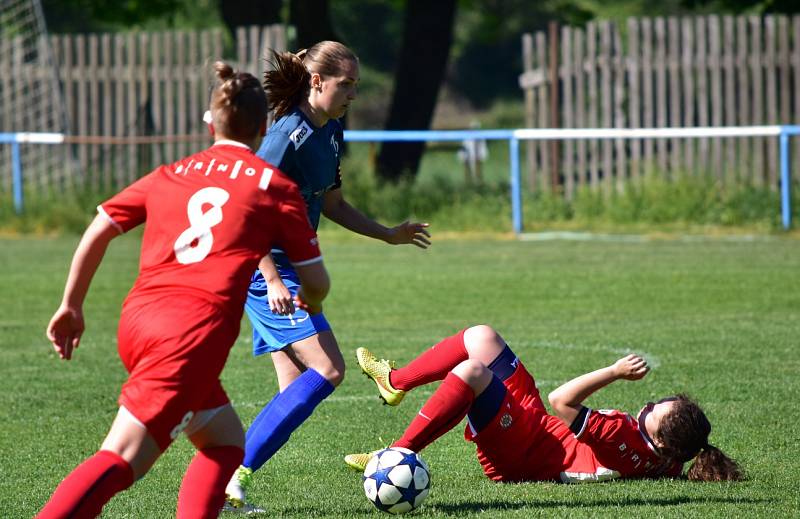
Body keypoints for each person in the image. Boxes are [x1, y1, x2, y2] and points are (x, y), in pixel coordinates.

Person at [37, 62, 331, 519]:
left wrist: (70, 305)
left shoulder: (170, 173)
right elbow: (317, 282)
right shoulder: (273, 186)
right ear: (262, 128)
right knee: (121, 457)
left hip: (137, 320)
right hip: (191, 335)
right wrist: (308, 300)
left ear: (210, 123)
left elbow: (100, 228)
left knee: (224, 442)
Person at [223, 40, 431, 510]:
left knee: (294, 391)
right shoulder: (285, 135)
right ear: (317, 82)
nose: (353, 94)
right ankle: (227, 475)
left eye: (357, 84)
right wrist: (273, 280)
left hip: (294, 269)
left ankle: (228, 475)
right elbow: (247, 213)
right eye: (347, 84)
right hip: (266, 270)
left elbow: (331, 203)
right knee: (329, 368)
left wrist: (387, 234)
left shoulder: (331, 131)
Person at [346, 325, 742, 483]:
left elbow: (561, 401)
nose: (655, 401)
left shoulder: (622, 437)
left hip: (521, 448)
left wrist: (615, 371)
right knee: (483, 338)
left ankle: (394, 456)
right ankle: (393, 382)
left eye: (659, 409)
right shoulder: (669, 460)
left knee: (471, 372)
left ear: (661, 440)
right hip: (534, 426)